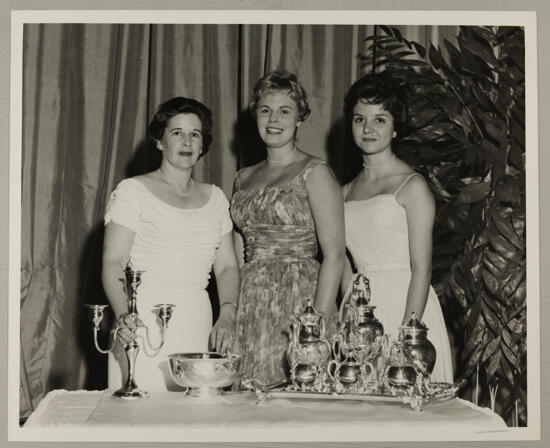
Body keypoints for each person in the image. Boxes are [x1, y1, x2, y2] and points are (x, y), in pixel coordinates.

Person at [102, 97, 240, 392]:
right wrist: (124, 314)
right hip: (143, 322)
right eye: (177, 132)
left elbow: (227, 266)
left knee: (195, 423)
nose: (187, 141)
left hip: (198, 319)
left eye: (195, 133)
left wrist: (227, 313)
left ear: (203, 144)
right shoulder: (133, 191)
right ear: (160, 141)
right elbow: (113, 262)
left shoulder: (216, 198)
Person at [231, 70, 346, 388]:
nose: (273, 119)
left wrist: (316, 328)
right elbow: (240, 252)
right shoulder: (242, 178)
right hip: (251, 301)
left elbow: (335, 255)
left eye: (285, 111)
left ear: (299, 118)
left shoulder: (316, 172)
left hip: (300, 301)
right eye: (265, 110)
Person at [341, 72, 454, 383]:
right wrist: (349, 316)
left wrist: (407, 334)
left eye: (380, 120)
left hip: (407, 300)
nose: (367, 128)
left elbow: (422, 268)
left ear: (395, 129)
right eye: (359, 119)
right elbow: (339, 261)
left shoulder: (412, 185)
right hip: (362, 310)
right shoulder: (344, 191)